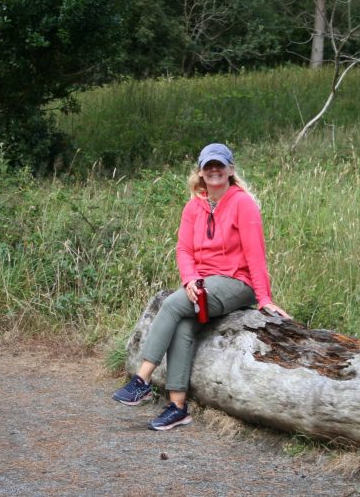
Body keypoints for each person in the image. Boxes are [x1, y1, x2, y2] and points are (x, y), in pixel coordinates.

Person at [112, 143, 290, 431]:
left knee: (171, 304)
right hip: (203, 285)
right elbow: (183, 250)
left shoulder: (242, 203)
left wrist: (264, 298)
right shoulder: (194, 206)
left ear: (231, 170)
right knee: (182, 325)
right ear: (201, 172)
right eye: (209, 166)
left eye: (220, 165)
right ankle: (178, 407)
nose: (215, 170)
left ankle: (141, 380)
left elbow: (255, 254)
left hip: (236, 283)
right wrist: (190, 279)